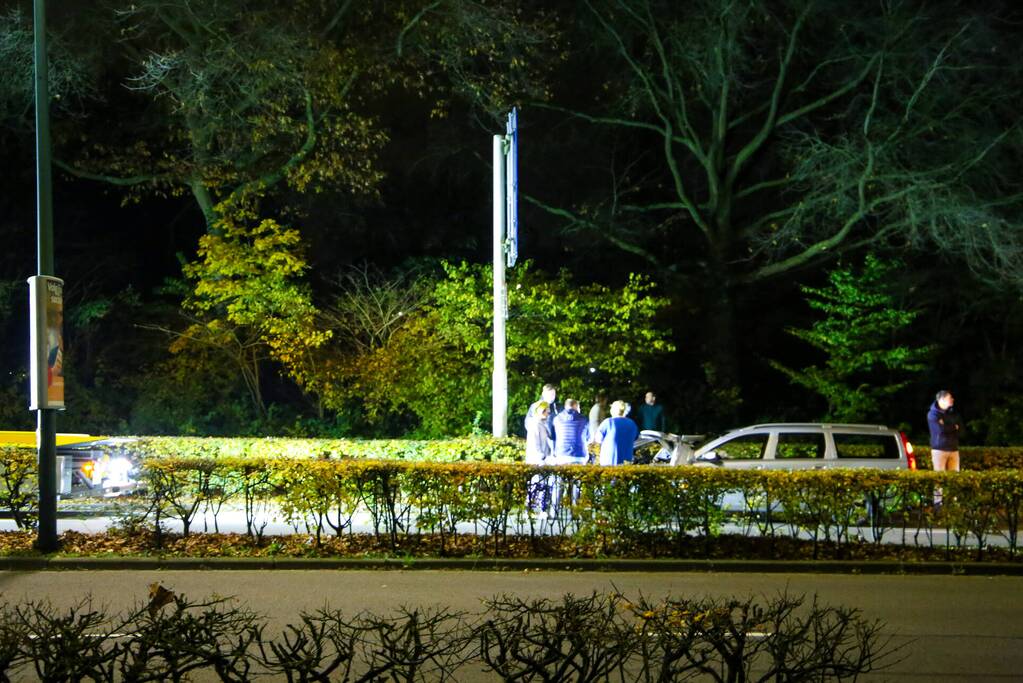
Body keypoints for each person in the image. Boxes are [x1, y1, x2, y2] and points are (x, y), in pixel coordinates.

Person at [927, 390, 962, 506]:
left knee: (954, 477)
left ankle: (953, 501)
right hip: (939, 449)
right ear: (941, 399)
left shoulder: (951, 413)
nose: (952, 400)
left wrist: (948, 426)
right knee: (939, 477)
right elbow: (941, 430)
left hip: (953, 448)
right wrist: (953, 427)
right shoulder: (932, 414)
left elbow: (960, 427)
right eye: (949, 398)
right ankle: (938, 503)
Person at [597, 400, 639, 466]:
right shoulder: (632, 423)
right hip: (627, 461)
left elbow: (598, 439)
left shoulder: (608, 422)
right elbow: (635, 438)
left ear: (613, 410)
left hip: (608, 460)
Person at [552, 399, 588, 465]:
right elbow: (589, 437)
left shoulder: (557, 419)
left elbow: (553, 437)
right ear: (576, 406)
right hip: (579, 454)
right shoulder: (583, 419)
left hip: (561, 454)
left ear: (565, 406)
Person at [524, 401, 553, 465]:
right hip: (536, 462)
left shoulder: (543, 424)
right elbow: (535, 444)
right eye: (546, 411)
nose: (548, 413)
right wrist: (542, 458)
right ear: (540, 411)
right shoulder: (535, 424)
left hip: (542, 461)